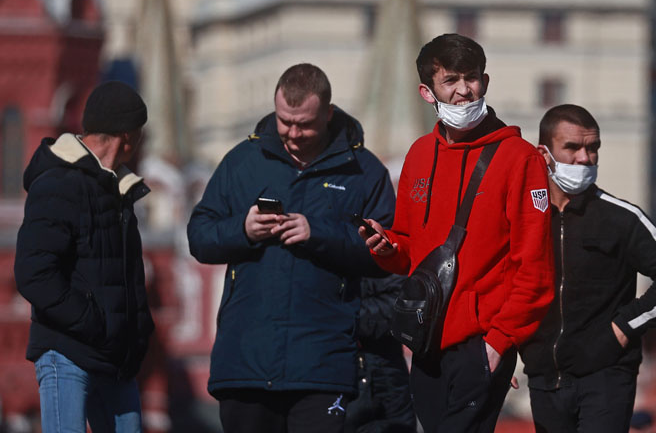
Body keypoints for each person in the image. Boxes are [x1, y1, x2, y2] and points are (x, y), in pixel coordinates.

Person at [362, 33, 555, 433]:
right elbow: (411, 251)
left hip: (480, 344)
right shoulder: (418, 154)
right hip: (425, 339)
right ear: (427, 91)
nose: (464, 91)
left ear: (485, 80)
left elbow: (534, 267)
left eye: (472, 78)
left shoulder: (519, 159)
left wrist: (498, 344)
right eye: (450, 80)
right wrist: (387, 248)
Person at [188, 63, 395, 433]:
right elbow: (199, 236)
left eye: (305, 124)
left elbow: (389, 254)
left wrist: (319, 233)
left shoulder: (364, 171)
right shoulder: (242, 162)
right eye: (285, 121)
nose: (293, 133)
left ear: (329, 114)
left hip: (322, 365)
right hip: (245, 361)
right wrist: (244, 229)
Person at [520, 104, 656, 433]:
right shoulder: (524, 216)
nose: (585, 158)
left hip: (606, 375)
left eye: (593, 148)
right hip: (543, 376)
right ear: (544, 153)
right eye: (572, 148)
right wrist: (508, 346)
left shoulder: (621, 217)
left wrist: (624, 328)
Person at [15, 80, 154, 433]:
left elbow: (129, 276)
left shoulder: (118, 188)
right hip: (67, 353)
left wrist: (137, 336)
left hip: (116, 358)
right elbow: (34, 273)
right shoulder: (57, 183)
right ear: (128, 137)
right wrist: (94, 323)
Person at [344, 274, 417, 433]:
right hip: (337, 381)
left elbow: (404, 302)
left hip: (387, 378)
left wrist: (342, 316)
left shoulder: (380, 257)